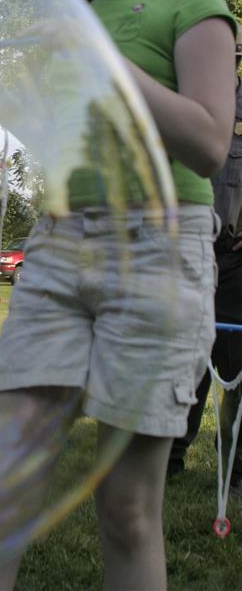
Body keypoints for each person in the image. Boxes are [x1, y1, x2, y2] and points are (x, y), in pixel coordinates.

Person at [0, 0, 237, 591]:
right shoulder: (69, 23)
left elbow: (209, 141)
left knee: (128, 512)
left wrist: (97, 57)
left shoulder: (194, 6)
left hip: (158, 251)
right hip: (60, 248)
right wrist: (2, 105)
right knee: (1, 496)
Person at [168, 25, 242, 495]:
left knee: (237, 369)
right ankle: (169, 458)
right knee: (184, 362)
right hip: (188, 255)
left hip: (236, 263)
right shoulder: (184, 105)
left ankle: (236, 469)